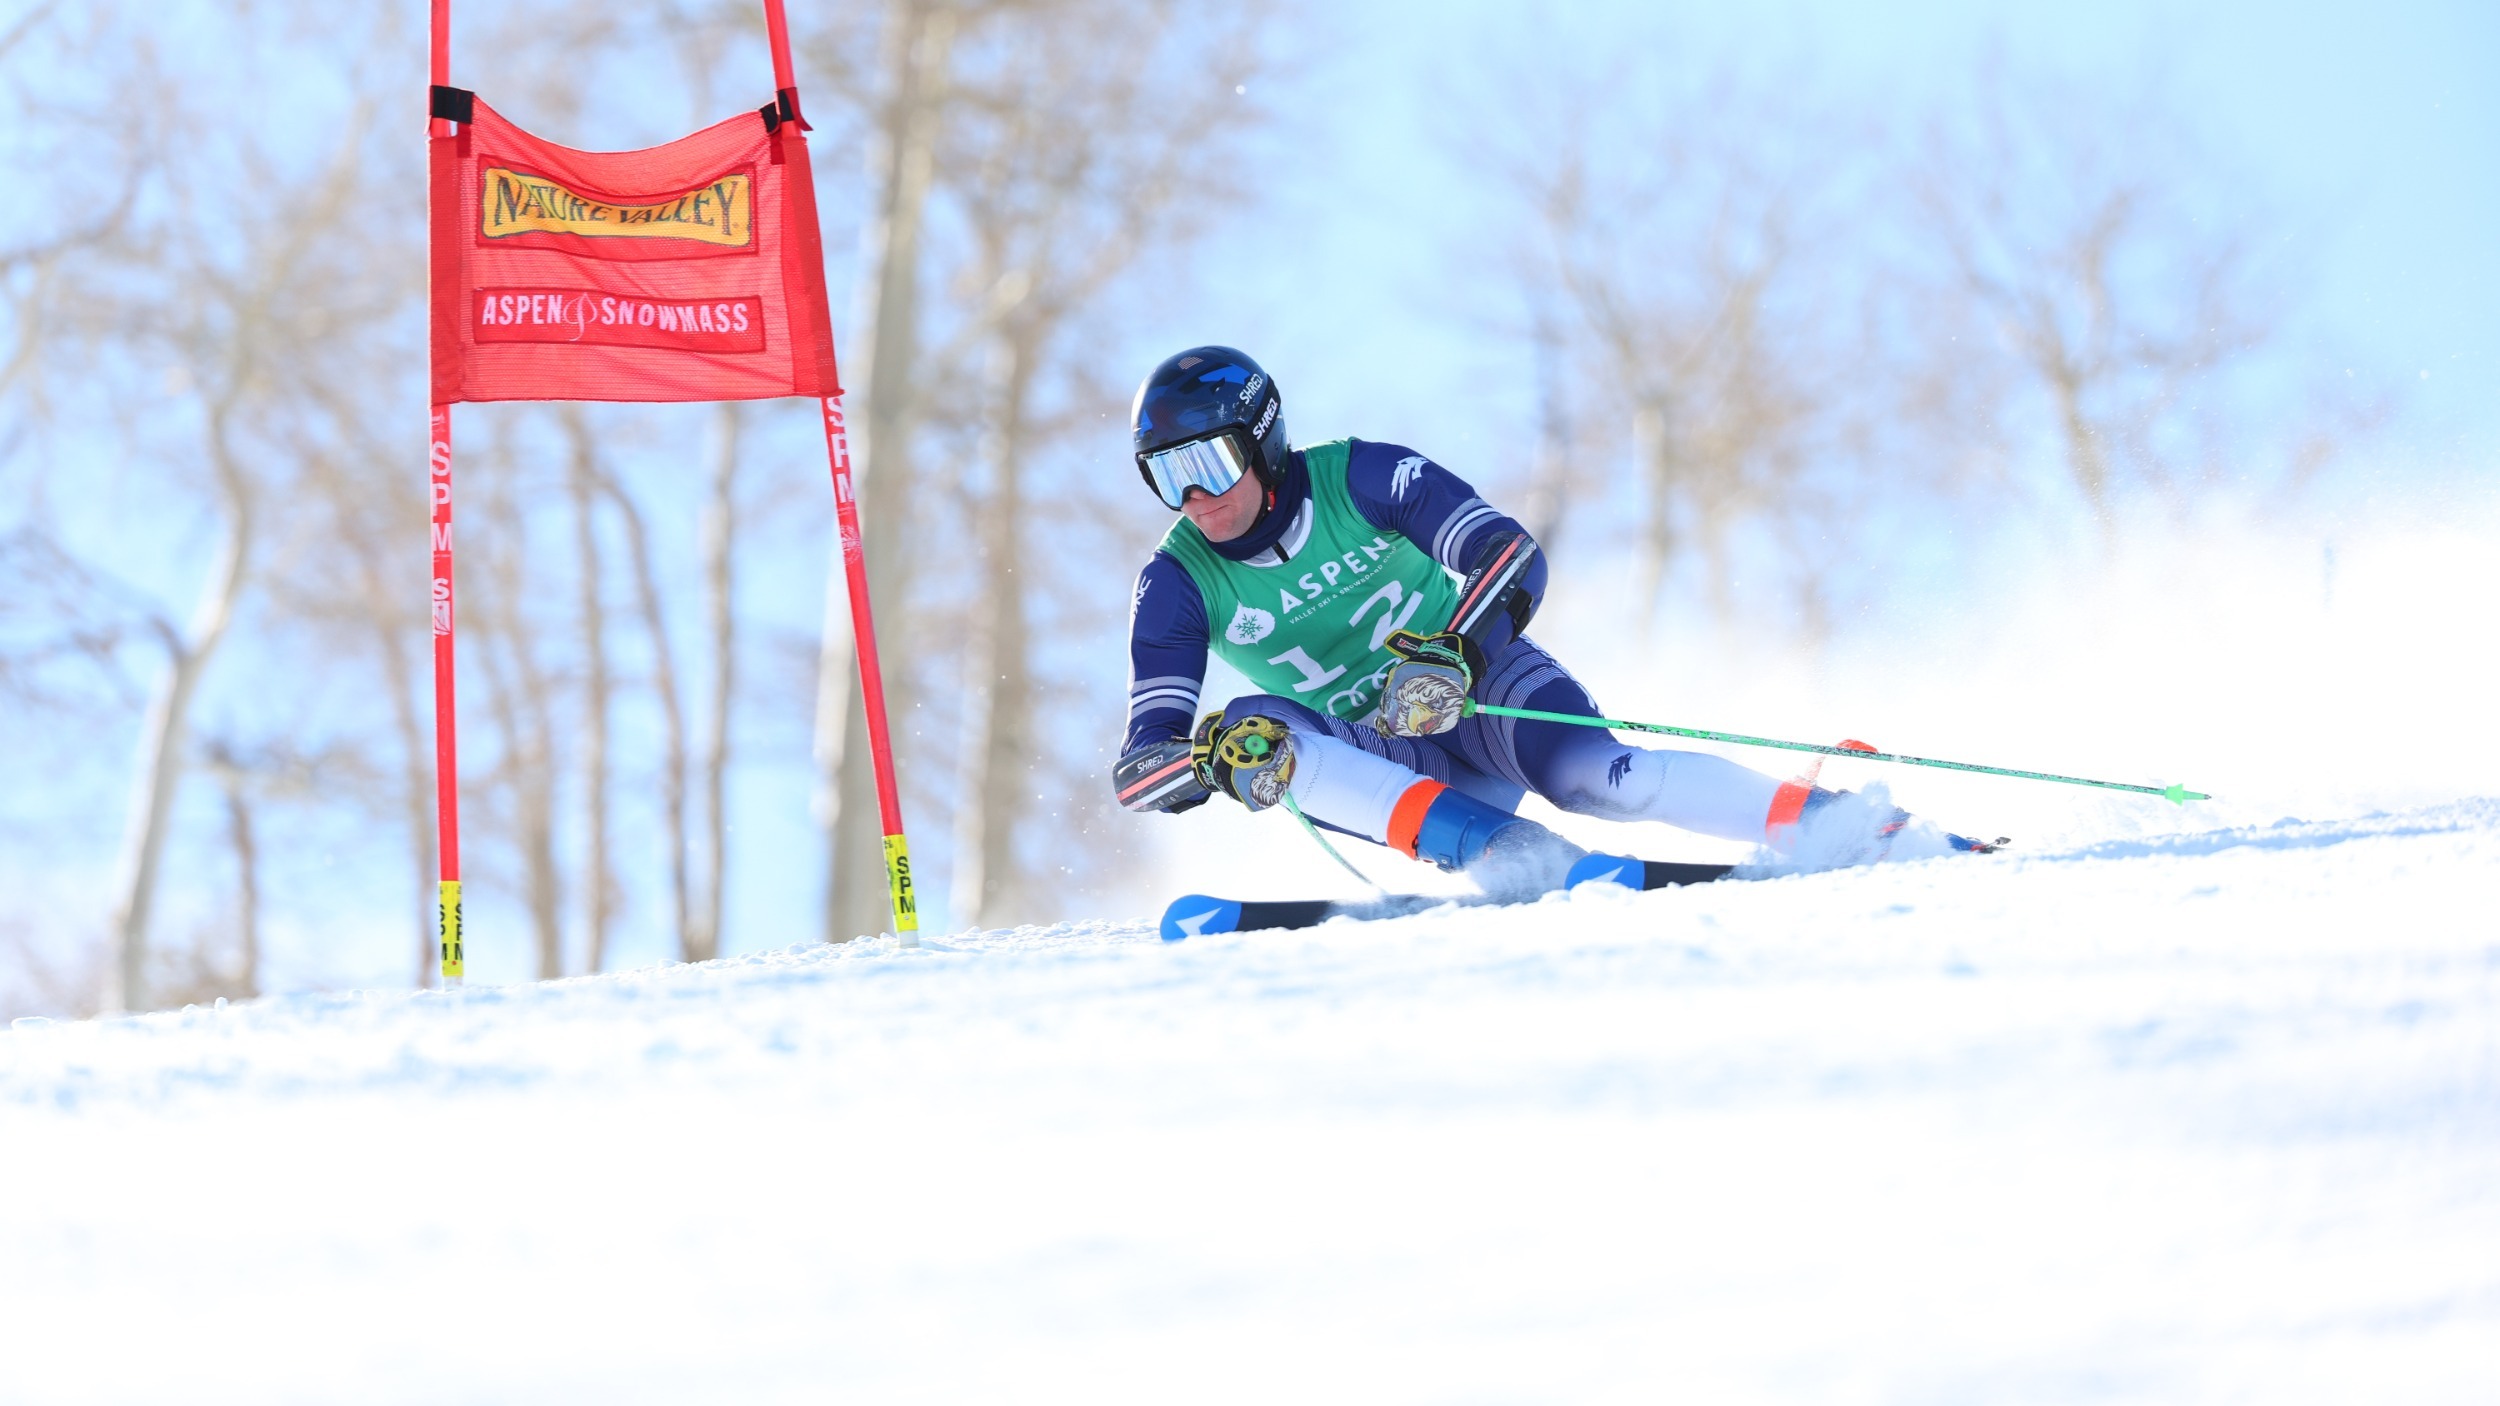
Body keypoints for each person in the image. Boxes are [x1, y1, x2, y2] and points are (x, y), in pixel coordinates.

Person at [1111, 346, 1984, 895]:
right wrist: (1207, 764)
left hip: (1479, 694)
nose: (1193, 495)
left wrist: (1458, 651)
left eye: (1209, 462)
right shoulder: (1178, 581)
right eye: (1166, 474)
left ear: (1261, 442)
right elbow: (1139, 767)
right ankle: (1514, 856)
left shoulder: (1362, 475)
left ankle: (1851, 823)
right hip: (1389, 757)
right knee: (1255, 731)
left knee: (1600, 780)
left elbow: (1509, 551)